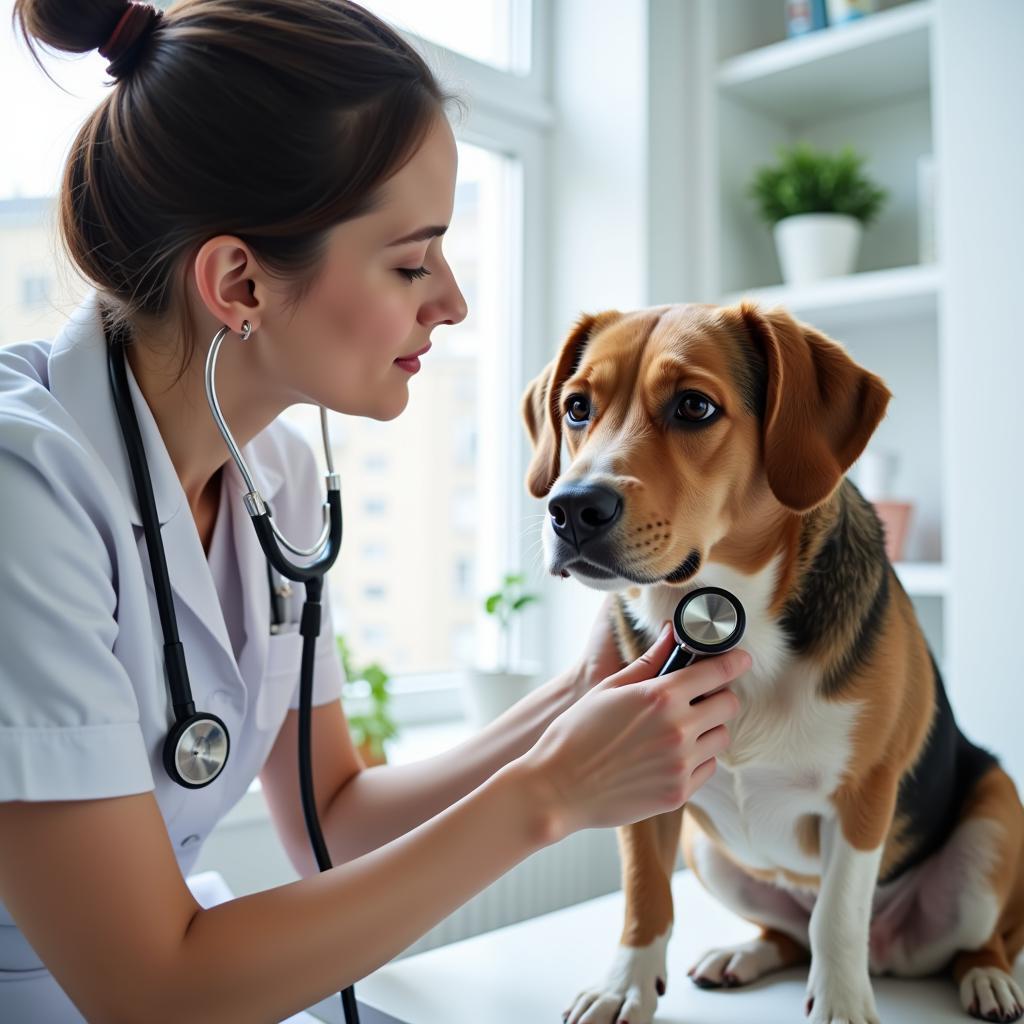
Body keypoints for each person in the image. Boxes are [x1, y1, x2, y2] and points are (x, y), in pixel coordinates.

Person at [0, 1, 749, 1021]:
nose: (452, 301)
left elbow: (332, 820)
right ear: (239, 281)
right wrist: (549, 795)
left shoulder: (276, 474)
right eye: (411, 261)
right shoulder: (23, 489)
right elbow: (150, 986)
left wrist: (574, 694)